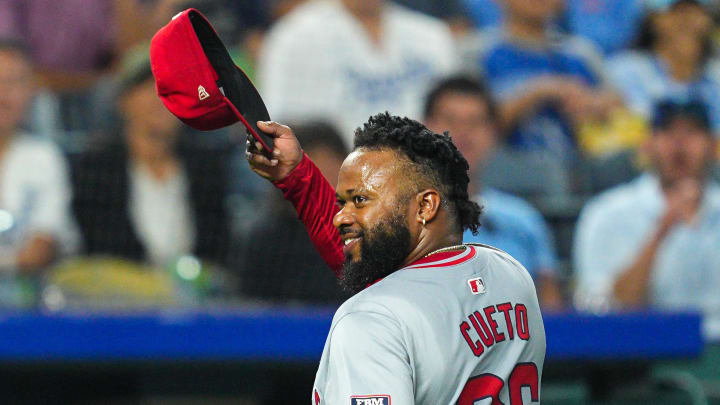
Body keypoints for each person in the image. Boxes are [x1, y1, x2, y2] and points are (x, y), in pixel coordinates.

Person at [246, 113, 545, 404]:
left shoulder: (371, 318)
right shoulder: (510, 275)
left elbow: (389, 286)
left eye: (361, 200)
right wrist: (298, 177)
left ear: (425, 206)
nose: (340, 218)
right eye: (342, 203)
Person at [574, 99, 720, 339]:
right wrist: (663, 229)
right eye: (667, 132)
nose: (679, 144)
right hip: (641, 353)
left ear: (713, 145)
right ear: (648, 144)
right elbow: (605, 315)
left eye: (692, 132)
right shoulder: (606, 213)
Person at [70, 55, 232, 269]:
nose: (162, 98)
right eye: (149, 88)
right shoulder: (97, 168)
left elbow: (219, 242)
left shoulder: (206, 167)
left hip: (196, 293)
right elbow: (97, 241)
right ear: (123, 101)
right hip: (118, 293)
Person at [424, 75, 564, 310]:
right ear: (423, 128)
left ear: (493, 133)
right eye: (450, 120)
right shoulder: (400, 217)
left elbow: (550, 309)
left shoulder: (523, 219)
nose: (463, 132)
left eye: (475, 122)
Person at [258, 0, 457, 145]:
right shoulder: (294, 37)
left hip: (424, 176)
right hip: (335, 184)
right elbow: (282, 129)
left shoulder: (432, 36)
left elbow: (457, 121)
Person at [462, 0, 617, 162]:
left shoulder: (580, 53)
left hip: (578, 174)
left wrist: (593, 104)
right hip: (500, 176)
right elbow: (462, 125)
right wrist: (538, 94)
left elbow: (620, 104)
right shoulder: (477, 51)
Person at [238, 122, 350, 304]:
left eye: (331, 168)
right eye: (314, 170)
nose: (325, 181)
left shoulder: (367, 239)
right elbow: (252, 312)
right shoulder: (265, 242)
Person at [0, 39, 78, 275]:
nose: (2, 93)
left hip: (27, 295)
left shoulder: (44, 158)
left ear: (31, 90)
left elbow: (41, 247)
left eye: (14, 82)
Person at [606, 0, 720, 133]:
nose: (687, 23)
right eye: (677, 13)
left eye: (696, 12)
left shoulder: (716, 77)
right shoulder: (622, 73)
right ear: (653, 18)